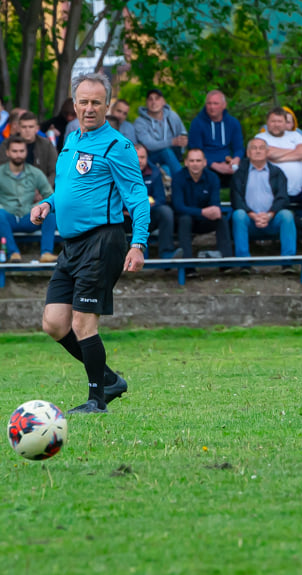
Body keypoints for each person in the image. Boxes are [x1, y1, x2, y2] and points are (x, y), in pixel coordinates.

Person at [30, 72, 150, 414]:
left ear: (108, 105)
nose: (89, 108)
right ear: (75, 104)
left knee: (83, 323)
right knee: (54, 323)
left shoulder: (118, 146)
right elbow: (67, 190)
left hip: (103, 241)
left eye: (97, 102)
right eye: (83, 101)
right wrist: (47, 205)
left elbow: (138, 198)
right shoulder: (70, 140)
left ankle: (97, 400)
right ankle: (110, 379)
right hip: (72, 246)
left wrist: (138, 244)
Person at [256, 106, 302, 230]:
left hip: (299, 188)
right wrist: (292, 152)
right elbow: (266, 153)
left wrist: (277, 157)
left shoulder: (295, 135)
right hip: (274, 192)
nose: (276, 124)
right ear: (267, 123)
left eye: (280, 121)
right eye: (273, 121)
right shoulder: (261, 138)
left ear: (285, 123)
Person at [230, 138, 296, 264]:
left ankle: (288, 261)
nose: (258, 151)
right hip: (249, 220)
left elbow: (283, 198)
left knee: (287, 215)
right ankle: (244, 262)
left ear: (267, 152)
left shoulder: (277, 173)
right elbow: (236, 198)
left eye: (261, 148)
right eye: (254, 148)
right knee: (238, 215)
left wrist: (269, 214)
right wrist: (253, 215)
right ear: (248, 153)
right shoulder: (239, 173)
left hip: (272, 220)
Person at [0, 135, 58, 262]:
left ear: (26, 152)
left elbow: (49, 195)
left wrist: (39, 205)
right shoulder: (0, 173)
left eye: (21, 151)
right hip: (8, 218)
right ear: (8, 153)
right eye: (14, 151)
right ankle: (13, 253)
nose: (18, 155)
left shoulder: (35, 172)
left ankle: (46, 253)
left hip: (30, 217)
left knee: (51, 211)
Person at [172, 148, 232, 265]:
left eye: (198, 161)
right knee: (185, 219)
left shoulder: (212, 177)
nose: (195, 164)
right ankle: (187, 264)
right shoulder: (178, 178)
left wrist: (213, 210)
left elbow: (215, 203)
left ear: (204, 162)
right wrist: (202, 212)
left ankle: (226, 262)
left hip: (204, 219)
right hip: (184, 220)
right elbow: (178, 206)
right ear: (186, 162)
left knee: (221, 219)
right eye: (192, 161)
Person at [188, 90, 244, 188]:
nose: (212, 107)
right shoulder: (197, 123)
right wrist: (216, 166)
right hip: (207, 165)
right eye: (209, 104)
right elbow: (195, 152)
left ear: (224, 105)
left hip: (228, 163)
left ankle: (239, 202)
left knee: (245, 172)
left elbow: (239, 148)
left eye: (215, 103)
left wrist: (236, 159)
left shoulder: (233, 123)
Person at [129, 143, 176, 259]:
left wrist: (144, 207)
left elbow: (160, 199)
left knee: (166, 212)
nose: (139, 161)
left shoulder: (154, 172)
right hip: (126, 217)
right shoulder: (120, 173)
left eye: (142, 157)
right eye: (136, 157)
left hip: (148, 214)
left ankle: (167, 254)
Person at [134, 88, 187, 178]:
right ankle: (184, 182)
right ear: (147, 102)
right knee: (166, 152)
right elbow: (149, 145)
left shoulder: (172, 116)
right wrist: (171, 142)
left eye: (157, 98)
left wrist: (183, 140)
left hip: (172, 157)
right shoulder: (140, 122)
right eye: (150, 99)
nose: (154, 102)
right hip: (151, 156)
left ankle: (172, 190)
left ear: (163, 101)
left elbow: (182, 132)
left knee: (166, 169)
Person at [0, 111, 57, 185]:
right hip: (13, 188)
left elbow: (55, 171)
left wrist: (43, 188)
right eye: (24, 127)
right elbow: (2, 169)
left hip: (41, 188)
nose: (27, 130)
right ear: (18, 128)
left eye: (31, 127)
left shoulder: (47, 145)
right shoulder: (7, 144)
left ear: (37, 128)